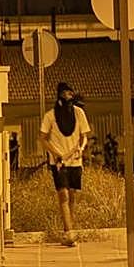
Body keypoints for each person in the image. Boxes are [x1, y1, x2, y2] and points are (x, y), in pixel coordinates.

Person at [38, 82, 90, 247]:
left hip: (75, 161)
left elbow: (85, 135)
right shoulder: (50, 116)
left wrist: (81, 148)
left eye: (70, 93)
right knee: (64, 195)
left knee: (72, 196)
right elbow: (43, 137)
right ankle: (69, 232)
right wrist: (55, 154)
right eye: (65, 94)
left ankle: (69, 229)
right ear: (59, 96)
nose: (68, 97)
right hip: (59, 163)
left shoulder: (78, 113)